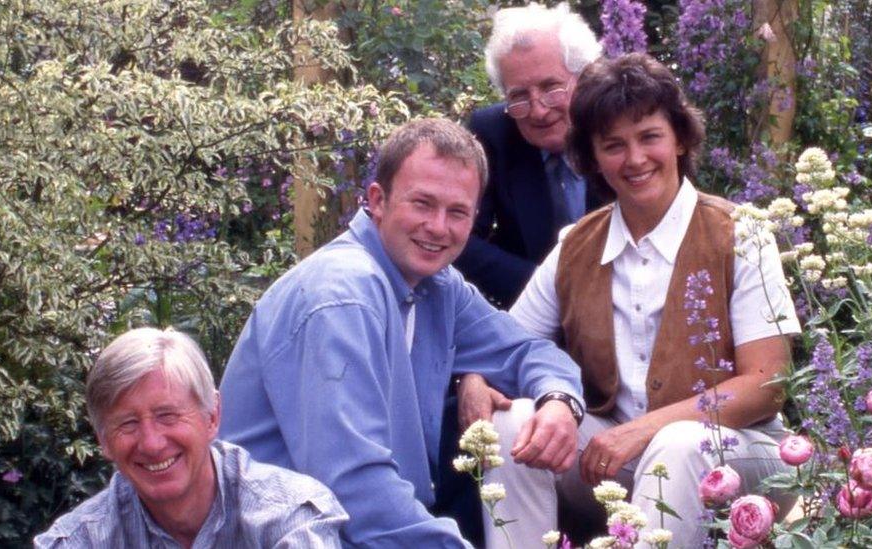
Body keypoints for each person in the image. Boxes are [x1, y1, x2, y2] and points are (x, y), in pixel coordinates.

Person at [462, 54, 803, 547]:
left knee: (678, 444)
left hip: (738, 457)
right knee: (511, 422)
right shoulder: (577, 244)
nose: (635, 159)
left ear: (680, 137)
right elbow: (506, 344)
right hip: (613, 461)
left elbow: (766, 385)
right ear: (593, 159)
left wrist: (645, 429)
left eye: (649, 137)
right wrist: (475, 378)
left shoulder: (740, 234)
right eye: (613, 146)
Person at [218, 118, 585, 548]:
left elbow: (526, 350)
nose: (438, 227)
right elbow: (353, 491)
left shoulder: (435, 286)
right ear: (378, 200)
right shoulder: (342, 296)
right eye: (422, 204)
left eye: (457, 212)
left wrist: (559, 401)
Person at [34, 327, 346, 548]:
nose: (152, 443)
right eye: (128, 424)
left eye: (167, 416)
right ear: (103, 440)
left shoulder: (287, 518)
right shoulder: (80, 540)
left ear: (212, 416)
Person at [454, 3, 608, 308]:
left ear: (584, 78)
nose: (538, 110)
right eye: (519, 96)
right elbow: (460, 238)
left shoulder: (616, 126)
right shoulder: (493, 133)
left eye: (551, 87)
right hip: (528, 307)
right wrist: (548, 290)